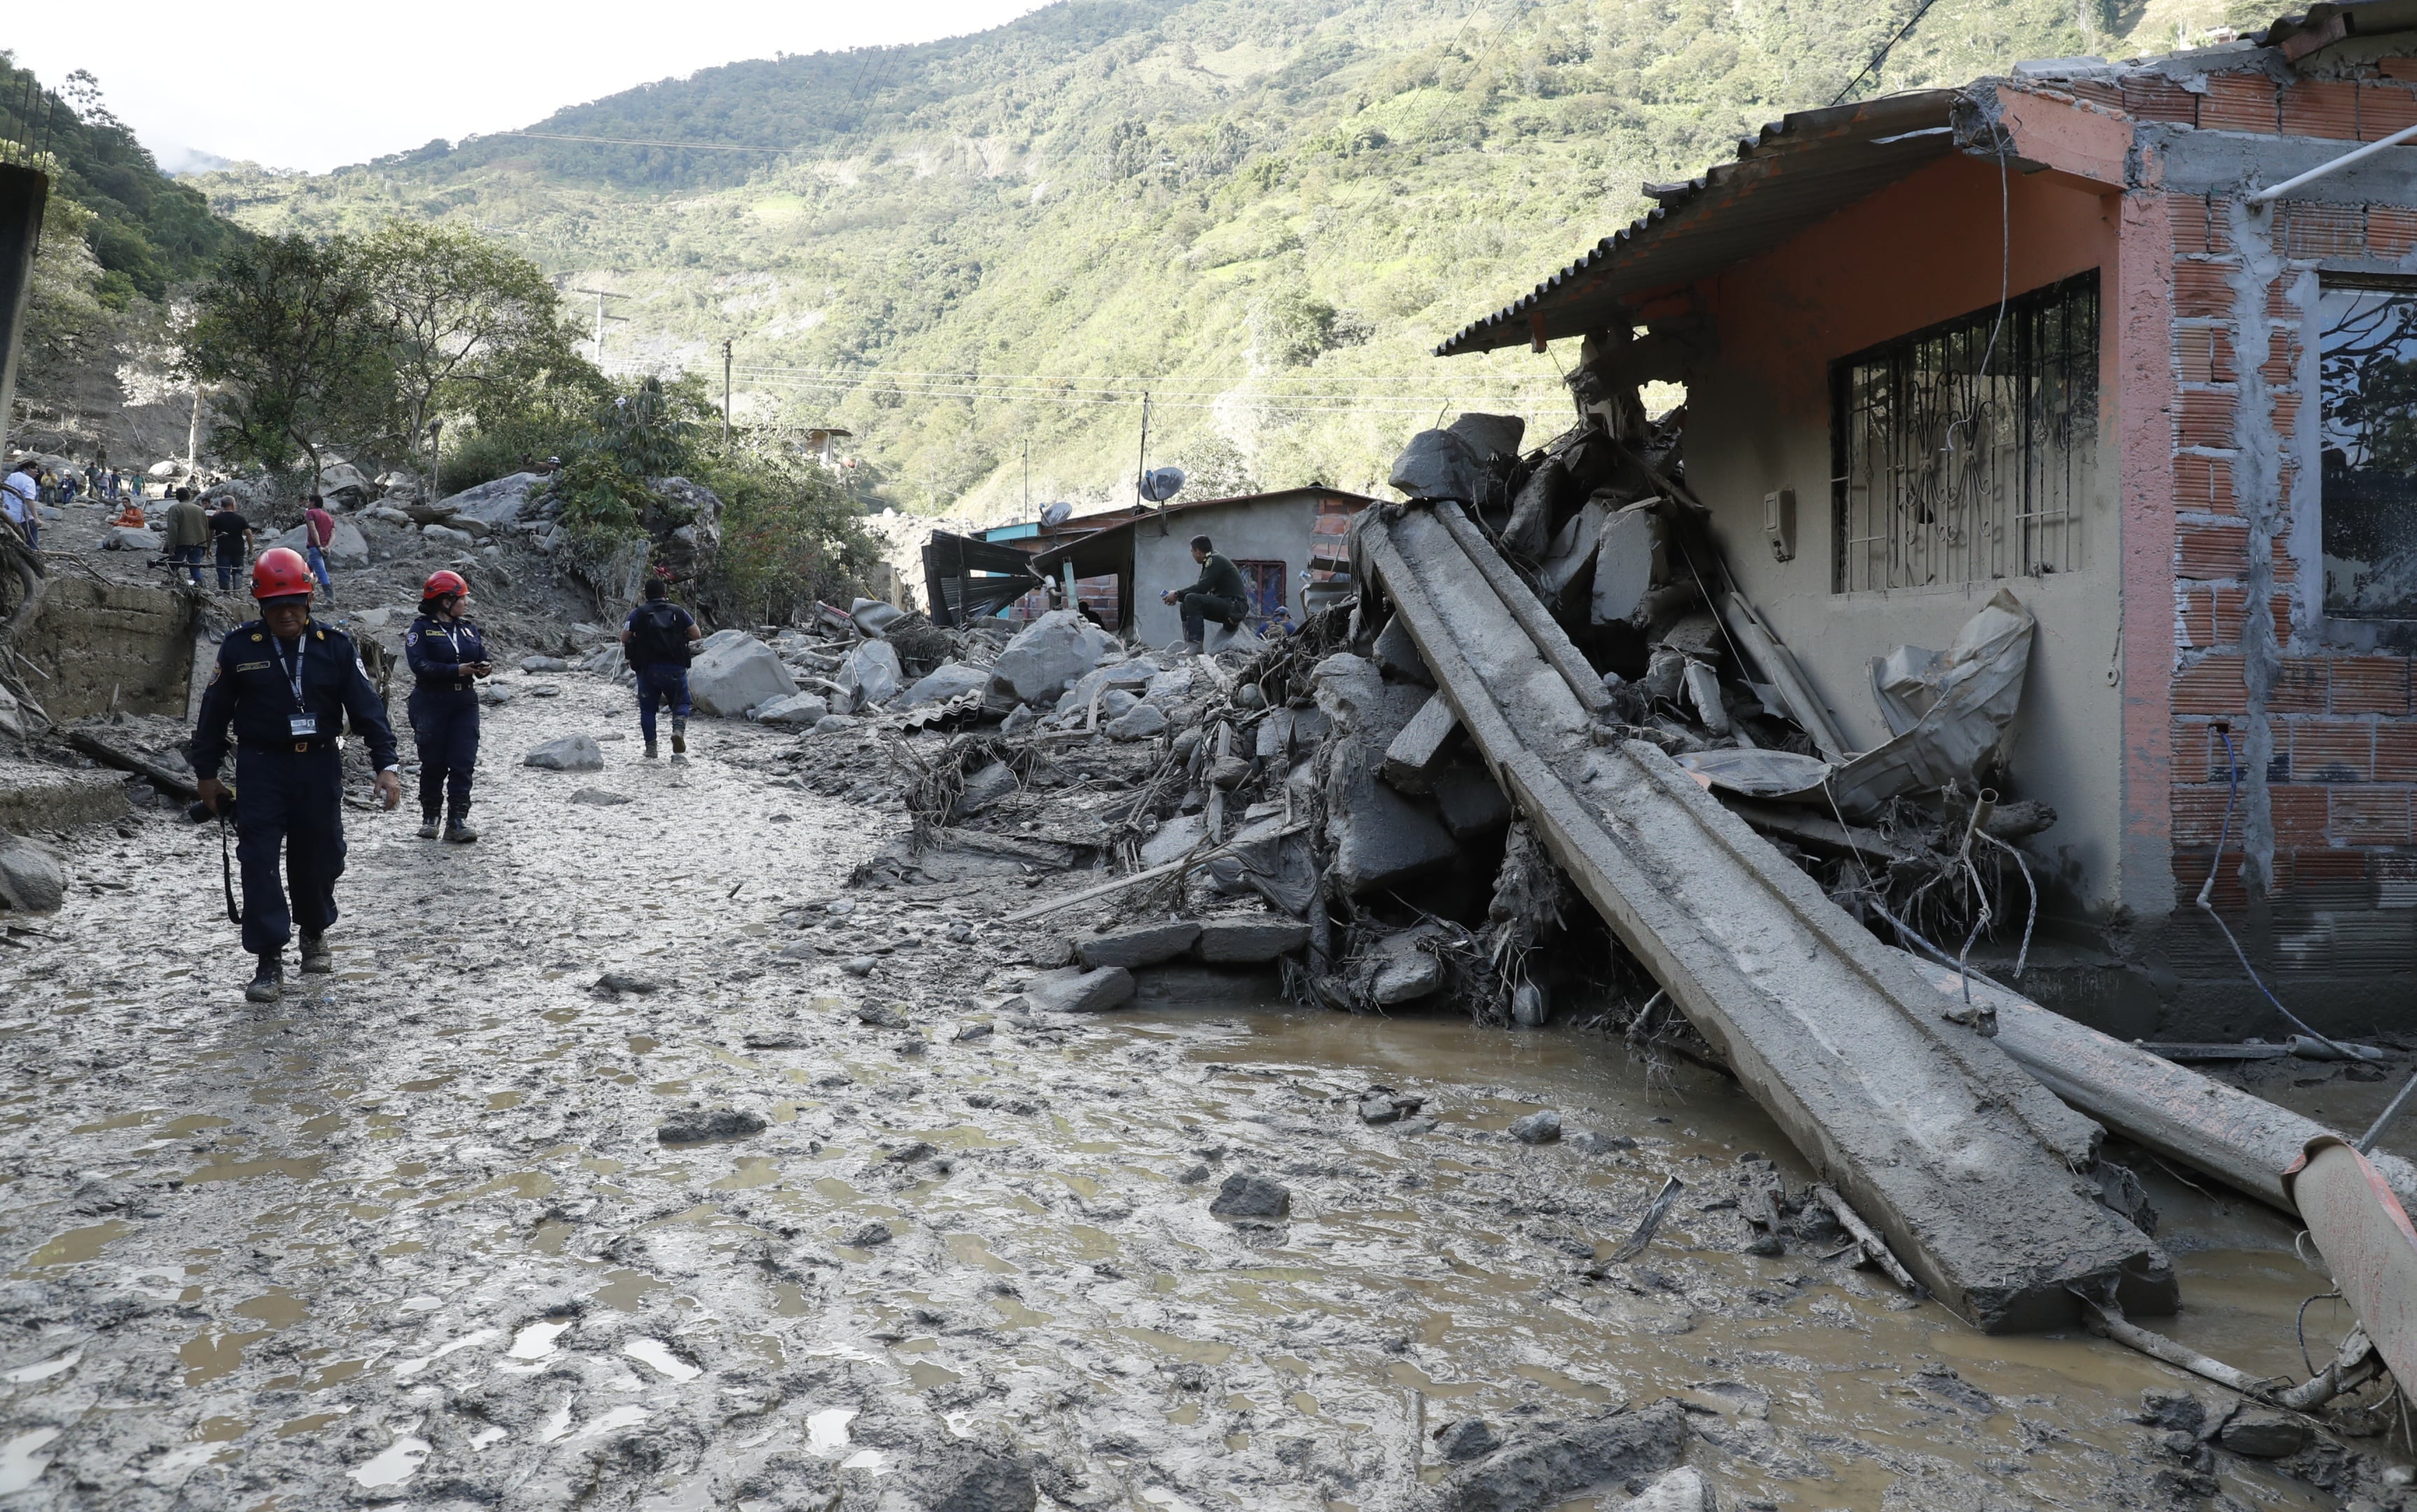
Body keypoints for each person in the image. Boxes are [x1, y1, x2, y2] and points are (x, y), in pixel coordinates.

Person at [192, 547, 402, 1003]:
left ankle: (313, 931)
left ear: (309, 600)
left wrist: (386, 766)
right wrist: (207, 776)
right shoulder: (238, 649)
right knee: (258, 860)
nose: (286, 612)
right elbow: (211, 718)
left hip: (319, 765)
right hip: (262, 766)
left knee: (320, 857)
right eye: (275, 605)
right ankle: (269, 960)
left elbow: (370, 712)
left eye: (295, 602)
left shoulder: (336, 647)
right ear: (260, 604)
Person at [404, 570, 491, 842]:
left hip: (464, 702)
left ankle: (457, 820)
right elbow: (420, 666)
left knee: (463, 761)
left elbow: (481, 656)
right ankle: (430, 817)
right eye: (461, 598)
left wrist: (483, 668)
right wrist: (457, 670)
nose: (466, 602)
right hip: (431, 702)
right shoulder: (420, 629)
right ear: (445, 601)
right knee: (433, 763)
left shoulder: (468, 628)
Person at [621, 577, 701, 763]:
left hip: (648, 670)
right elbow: (696, 634)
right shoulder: (678, 612)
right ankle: (678, 730)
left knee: (648, 710)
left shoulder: (638, 613)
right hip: (675, 668)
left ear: (645, 595)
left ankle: (651, 750)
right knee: (681, 703)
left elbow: (624, 637)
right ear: (665, 593)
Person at [1159, 534, 1250, 654]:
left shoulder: (1215, 560)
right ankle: (1190, 644)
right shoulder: (1210, 560)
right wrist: (1179, 596)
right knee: (1185, 604)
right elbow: (1201, 589)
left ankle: (1196, 646)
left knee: (1191, 599)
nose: (1192, 555)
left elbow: (1201, 588)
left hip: (1235, 607)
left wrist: (1176, 594)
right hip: (1229, 605)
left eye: (1192, 551)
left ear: (1197, 552)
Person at [208, 496, 254, 592]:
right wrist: (251, 548)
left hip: (223, 550)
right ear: (233, 505)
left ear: (222, 505)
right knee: (238, 571)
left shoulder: (216, 518)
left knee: (224, 571)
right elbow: (249, 533)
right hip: (238, 550)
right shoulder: (240, 518)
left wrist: (208, 549)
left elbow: (210, 534)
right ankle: (237, 592)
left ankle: (225, 593)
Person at [162, 488, 208, 583]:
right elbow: (206, 528)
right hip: (199, 543)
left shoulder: (174, 508)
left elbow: (172, 529)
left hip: (182, 543)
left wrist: (171, 547)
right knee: (195, 568)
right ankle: (202, 587)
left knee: (173, 567)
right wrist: (206, 547)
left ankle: (172, 587)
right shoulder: (200, 510)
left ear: (177, 497)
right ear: (189, 496)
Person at [301, 493, 337, 605]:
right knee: (306, 570)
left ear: (313, 503)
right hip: (325, 549)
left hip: (315, 549)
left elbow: (313, 530)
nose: (308, 504)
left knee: (322, 574)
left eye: (309, 501)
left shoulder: (310, 513)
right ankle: (305, 595)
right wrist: (327, 547)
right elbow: (333, 534)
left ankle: (330, 601)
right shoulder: (328, 517)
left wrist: (319, 546)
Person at [0, 460, 36, 551]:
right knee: (31, 544)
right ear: (27, 468)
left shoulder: (8, 478)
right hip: (24, 518)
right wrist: (36, 518)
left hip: (7, 516)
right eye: (34, 469)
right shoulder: (29, 481)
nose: (37, 472)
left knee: (10, 544)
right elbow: (29, 499)